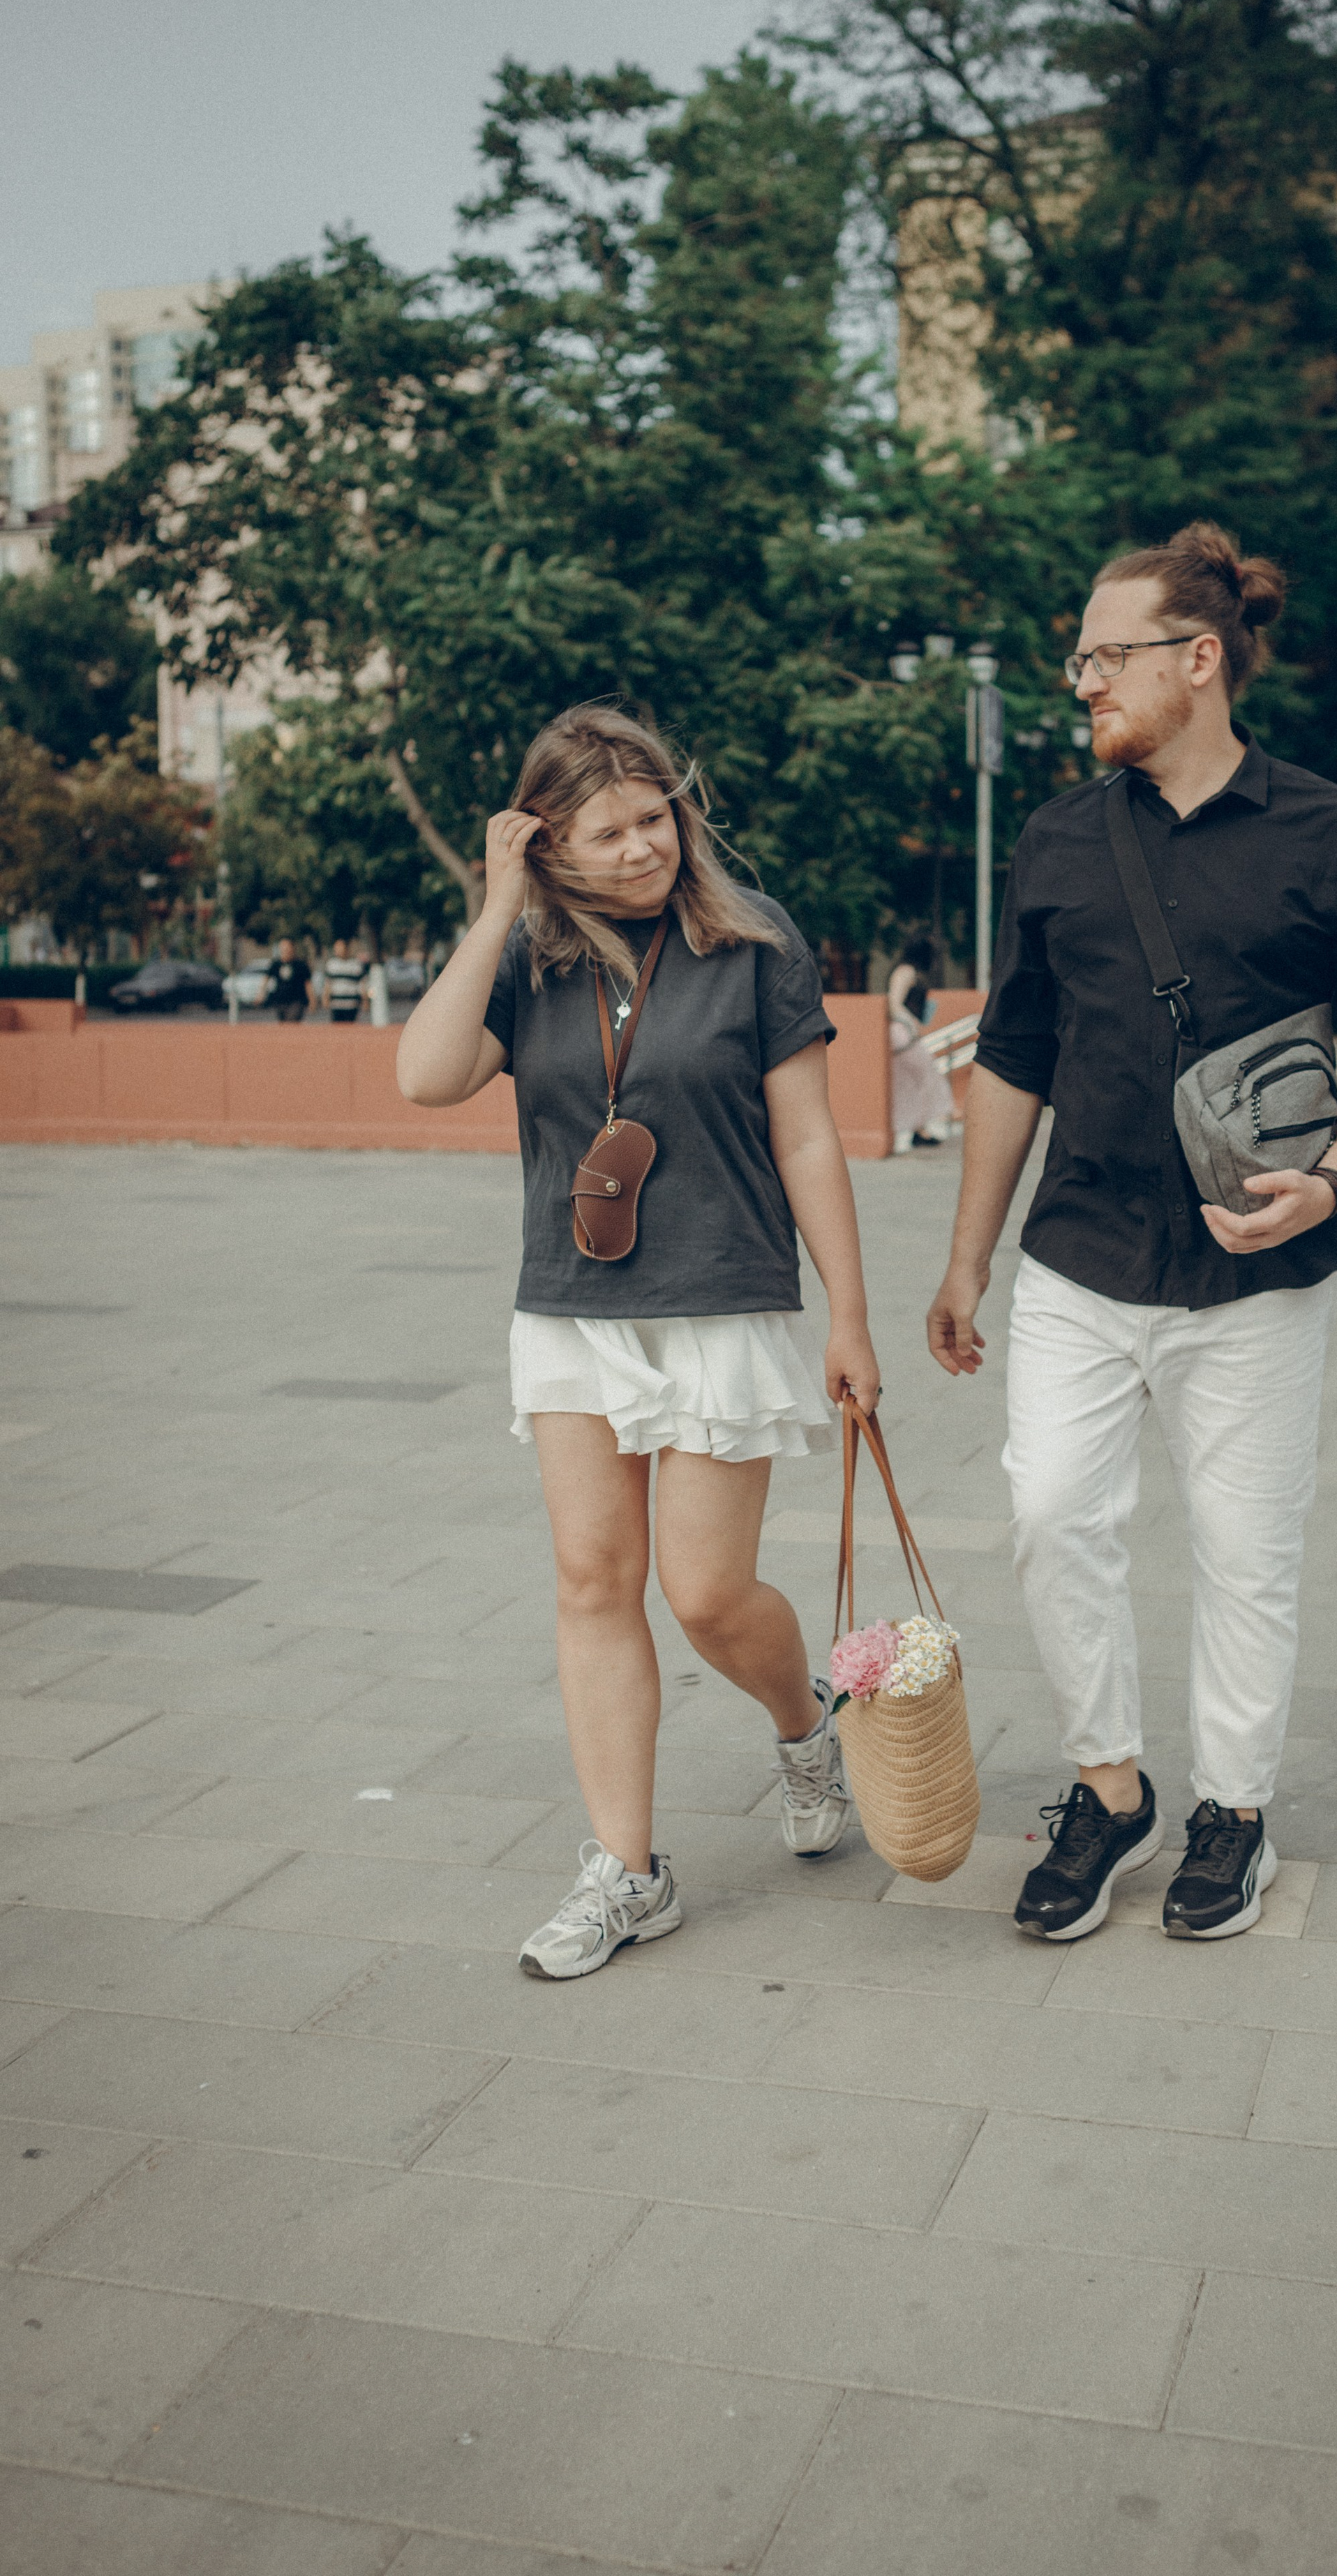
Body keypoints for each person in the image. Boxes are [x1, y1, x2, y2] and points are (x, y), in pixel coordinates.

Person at [926, 521, 1337, 1946]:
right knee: (1049, 1518)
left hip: (1258, 1272)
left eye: (1102, 657)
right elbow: (1011, 1062)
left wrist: (1330, 1181)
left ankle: (1232, 1811)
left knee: (1244, 1550)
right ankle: (1107, 1787)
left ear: (1195, 660)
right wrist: (967, 1255)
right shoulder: (1052, 841)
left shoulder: (1330, 834)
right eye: (1075, 659)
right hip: (1079, 1257)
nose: (1078, 682)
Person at [396, 702, 881, 1981]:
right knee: (591, 1582)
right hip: (572, 1307)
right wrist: (495, 906)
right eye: (605, 833)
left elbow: (809, 1138)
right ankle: (627, 1868)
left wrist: (850, 1313)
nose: (640, 849)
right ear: (548, 845)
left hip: (724, 1297)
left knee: (708, 1594)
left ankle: (803, 1723)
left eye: (654, 818)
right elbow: (427, 1075)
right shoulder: (530, 954)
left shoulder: (753, 941)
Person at [888, 936, 955, 1154]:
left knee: (915, 1081)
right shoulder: (906, 971)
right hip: (902, 1034)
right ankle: (917, 1129)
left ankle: (918, 1129)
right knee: (926, 1076)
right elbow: (894, 1004)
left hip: (903, 1034)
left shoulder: (909, 971)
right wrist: (912, 1023)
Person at [322, 939, 369, 1025]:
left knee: (350, 1029)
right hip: (336, 1003)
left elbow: (362, 984)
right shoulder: (332, 964)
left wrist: (365, 1000)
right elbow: (328, 983)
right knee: (337, 1029)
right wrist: (326, 997)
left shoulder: (356, 964)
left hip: (352, 1003)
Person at [266, 938, 312, 1025]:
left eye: (287, 948)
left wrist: (312, 1000)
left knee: (291, 1024)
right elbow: (266, 978)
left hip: (296, 1001)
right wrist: (261, 993)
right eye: (283, 949)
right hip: (280, 1001)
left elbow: (308, 983)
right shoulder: (276, 964)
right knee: (283, 1026)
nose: (286, 951)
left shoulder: (300, 965)